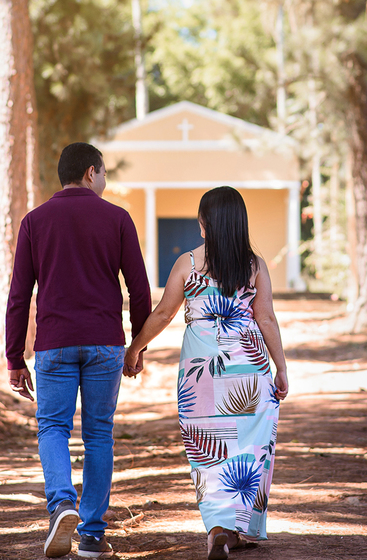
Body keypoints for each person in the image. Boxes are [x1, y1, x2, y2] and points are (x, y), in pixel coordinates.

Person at [5, 142, 152, 559]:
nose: (105, 182)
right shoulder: (118, 219)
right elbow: (138, 289)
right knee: (98, 434)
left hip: (54, 345)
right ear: (91, 172)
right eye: (104, 174)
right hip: (106, 343)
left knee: (53, 427)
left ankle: (61, 505)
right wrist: (137, 345)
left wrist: (15, 357)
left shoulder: (35, 222)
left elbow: (19, 296)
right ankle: (90, 536)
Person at [124, 186, 289, 560]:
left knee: (208, 448)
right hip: (250, 368)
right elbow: (265, 318)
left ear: (205, 224)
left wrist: (134, 348)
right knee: (250, 449)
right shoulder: (255, 266)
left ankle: (218, 526)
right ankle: (238, 529)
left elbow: (164, 314)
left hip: (201, 373)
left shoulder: (188, 264)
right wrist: (281, 368)